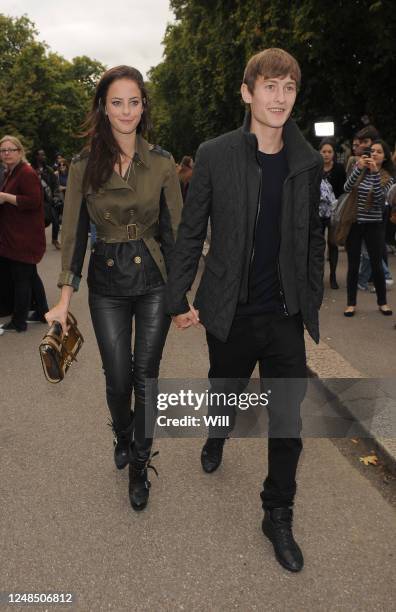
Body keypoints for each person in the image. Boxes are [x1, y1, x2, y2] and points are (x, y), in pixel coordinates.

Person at [166, 48, 324, 572]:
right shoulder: (215, 154)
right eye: (270, 86)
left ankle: (277, 512)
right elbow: (192, 231)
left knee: (288, 421)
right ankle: (217, 432)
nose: (280, 98)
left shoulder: (305, 158)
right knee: (225, 389)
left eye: (289, 88)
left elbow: (313, 239)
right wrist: (177, 298)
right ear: (247, 92)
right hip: (229, 311)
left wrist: (310, 300)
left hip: (283, 318)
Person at [45, 65, 182, 511]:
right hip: (106, 280)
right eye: (117, 102)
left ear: (144, 107)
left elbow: (178, 233)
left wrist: (182, 296)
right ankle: (122, 433)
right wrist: (63, 301)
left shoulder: (162, 161)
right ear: (104, 109)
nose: (126, 111)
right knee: (117, 377)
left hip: (154, 280)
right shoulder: (84, 166)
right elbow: (72, 234)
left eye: (134, 101)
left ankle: (141, 463)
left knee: (146, 376)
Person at [0, 136, 48, 334]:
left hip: (24, 237)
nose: (7, 153)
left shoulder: (26, 173)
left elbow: (34, 201)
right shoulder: (12, 172)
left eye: (11, 149)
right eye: (3, 151)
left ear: (20, 152)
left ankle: (19, 322)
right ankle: (42, 312)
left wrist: (5, 197)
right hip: (17, 235)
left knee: (21, 278)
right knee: (31, 276)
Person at [343, 139, 394, 317]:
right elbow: (346, 187)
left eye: (379, 152)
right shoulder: (360, 169)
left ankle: (383, 302)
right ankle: (351, 304)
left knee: (376, 265)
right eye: (372, 151)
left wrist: (374, 173)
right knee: (353, 264)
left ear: (385, 157)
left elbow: (381, 202)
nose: (374, 154)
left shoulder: (388, 177)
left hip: (374, 225)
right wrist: (359, 168)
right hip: (355, 224)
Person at [319, 139, 346, 289]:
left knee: (332, 244)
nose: (326, 154)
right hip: (318, 212)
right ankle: (319, 276)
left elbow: (343, 191)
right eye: (324, 151)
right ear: (319, 153)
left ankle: (333, 276)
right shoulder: (315, 168)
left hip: (334, 212)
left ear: (334, 154)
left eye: (329, 152)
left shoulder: (339, 169)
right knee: (319, 245)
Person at [32, 149, 62, 249]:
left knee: (56, 221)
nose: (44, 157)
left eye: (44, 155)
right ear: (36, 157)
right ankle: (38, 241)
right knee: (39, 222)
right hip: (36, 200)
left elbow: (55, 184)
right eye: (41, 155)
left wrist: (56, 196)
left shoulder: (48, 170)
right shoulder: (31, 170)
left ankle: (54, 239)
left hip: (48, 200)